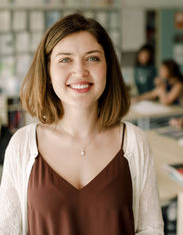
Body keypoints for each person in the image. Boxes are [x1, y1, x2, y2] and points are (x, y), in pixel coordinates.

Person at [0, 14, 164, 235]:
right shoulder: (22, 144)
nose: (79, 71)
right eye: (65, 59)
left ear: (108, 67)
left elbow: (150, 229)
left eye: (93, 58)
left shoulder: (135, 142)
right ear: (48, 71)